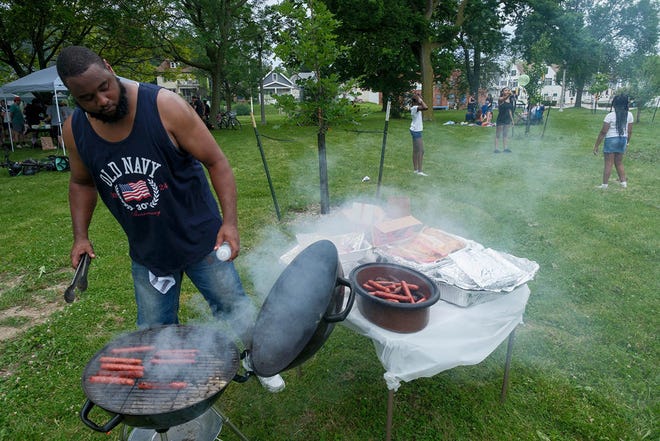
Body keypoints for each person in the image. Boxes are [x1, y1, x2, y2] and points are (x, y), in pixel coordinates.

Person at [56, 45, 284, 392]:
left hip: (203, 241)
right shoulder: (75, 130)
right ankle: (165, 390)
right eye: (87, 97)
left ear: (108, 65)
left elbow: (217, 161)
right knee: (153, 329)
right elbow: (81, 182)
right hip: (148, 253)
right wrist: (80, 235)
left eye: (104, 86)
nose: (101, 100)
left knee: (234, 307)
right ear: (72, 96)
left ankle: (262, 360)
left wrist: (230, 222)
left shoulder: (164, 106)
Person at [593, 94, 633, 189]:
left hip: (611, 140)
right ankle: (623, 183)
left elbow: (603, 132)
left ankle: (604, 185)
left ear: (614, 104)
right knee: (619, 162)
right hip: (622, 139)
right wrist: (627, 142)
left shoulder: (610, 116)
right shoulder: (630, 115)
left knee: (608, 163)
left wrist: (596, 145)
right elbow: (630, 131)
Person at [409, 93, 428, 176]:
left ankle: (415, 170)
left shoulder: (414, 108)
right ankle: (420, 171)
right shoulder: (415, 108)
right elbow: (426, 107)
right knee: (421, 150)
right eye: (420, 99)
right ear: (417, 101)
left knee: (416, 150)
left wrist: (419, 99)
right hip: (416, 131)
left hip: (414, 130)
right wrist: (421, 101)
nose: (421, 100)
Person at [494, 87, 514, 153]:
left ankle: (505, 148)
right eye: (506, 90)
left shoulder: (510, 100)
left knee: (505, 134)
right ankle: (496, 149)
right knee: (498, 134)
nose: (507, 91)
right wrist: (509, 94)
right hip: (501, 119)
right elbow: (504, 99)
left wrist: (512, 120)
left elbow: (510, 111)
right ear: (502, 92)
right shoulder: (500, 99)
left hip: (507, 119)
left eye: (508, 90)